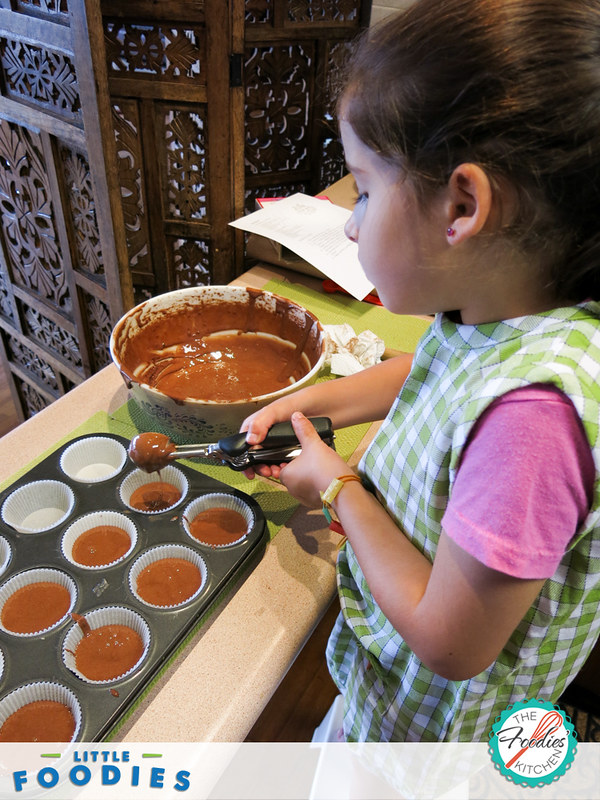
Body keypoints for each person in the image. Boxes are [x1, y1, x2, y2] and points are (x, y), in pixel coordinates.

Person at [241, 0, 600, 742]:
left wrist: (339, 491)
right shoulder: (499, 314)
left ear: (462, 205)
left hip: (429, 743)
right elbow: (429, 374)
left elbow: (450, 642)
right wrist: (320, 405)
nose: (349, 220)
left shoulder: (534, 425)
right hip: (388, 686)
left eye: (364, 190)